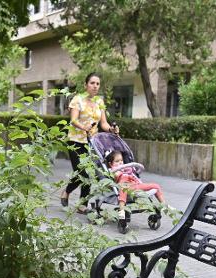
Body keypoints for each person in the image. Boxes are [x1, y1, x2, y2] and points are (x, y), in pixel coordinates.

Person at [60, 72, 119, 214]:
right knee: (81, 172)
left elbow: (103, 123)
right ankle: (66, 192)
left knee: (89, 173)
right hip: (75, 141)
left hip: (92, 143)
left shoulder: (99, 102)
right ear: (86, 85)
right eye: (92, 83)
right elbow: (73, 120)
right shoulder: (77, 99)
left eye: (97, 84)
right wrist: (84, 127)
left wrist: (111, 129)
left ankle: (82, 204)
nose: (95, 86)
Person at [106, 150, 167, 229]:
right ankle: (122, 214)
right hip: (125, 188)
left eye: (121, 160)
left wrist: (129, 169)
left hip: (136, 185)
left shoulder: (127, 168)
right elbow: (116, 176)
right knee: (123, 187)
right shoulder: (113, 171)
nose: (120, 163)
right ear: (111, 164)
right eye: (117, 161)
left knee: (156, 186)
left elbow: (135, 173)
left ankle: (164, 205)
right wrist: (119, 171)